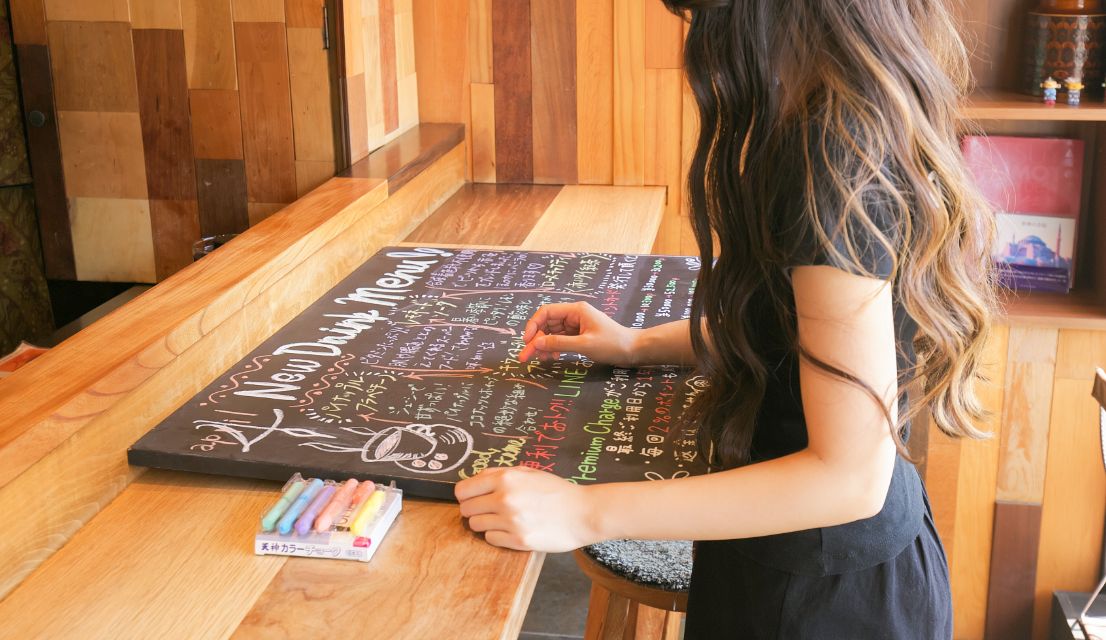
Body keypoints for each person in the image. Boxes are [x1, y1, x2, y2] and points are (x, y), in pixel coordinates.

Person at [455, 1, 996, 637]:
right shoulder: (843, 114)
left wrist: (585, 511)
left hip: (821, 601)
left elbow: (849, 477)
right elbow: (800, 336)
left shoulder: (830, 156)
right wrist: (638, 343)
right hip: (804, 563)